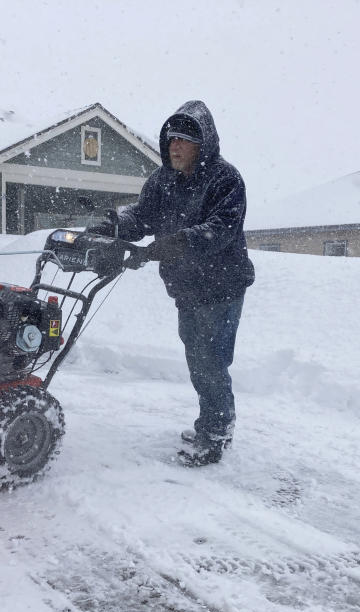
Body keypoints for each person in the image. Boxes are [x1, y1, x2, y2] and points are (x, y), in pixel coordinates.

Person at [87, 100, 254, 466]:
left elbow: (220, 230)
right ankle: (210, 421)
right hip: (187, 288)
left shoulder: (226, 180)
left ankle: (216, 432)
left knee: (209, 361)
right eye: (171, 138)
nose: (175, 145)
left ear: (203, 143)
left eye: (185, 139)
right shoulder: (163, 181)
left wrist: (177, 242)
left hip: (221, 287)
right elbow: (141, 216)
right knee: (198, 358)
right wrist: (111, 225)